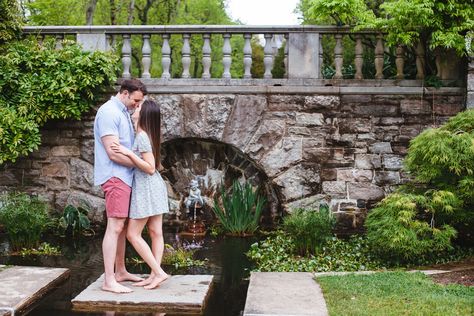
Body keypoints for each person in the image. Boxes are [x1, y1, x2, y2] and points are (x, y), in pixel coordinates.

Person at [93, 79, 147, 293]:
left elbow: (124, 147)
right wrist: (142, 164)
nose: (137, 104)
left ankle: (121, 271)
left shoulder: (123, 111)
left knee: (122, 227)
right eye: (136, 100)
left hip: (125, 176)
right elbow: (113, 152)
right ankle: (109, 281)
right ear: (124, 93)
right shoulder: (109, 113)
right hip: (115, 177)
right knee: (115, 226)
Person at [111, 99, 170, 290]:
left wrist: (128, 153)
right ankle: (154, 275)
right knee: (155, 232)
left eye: (138, 107)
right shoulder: (146, 134)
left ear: (144, 114)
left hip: (147, 187)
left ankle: (158, 272)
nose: (134, 108)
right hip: (153, 187)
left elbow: (150, 168)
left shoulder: (143, 136)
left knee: (132, 234)